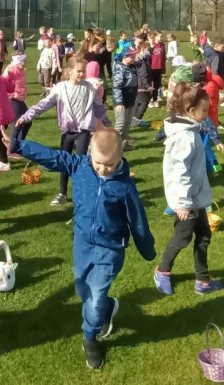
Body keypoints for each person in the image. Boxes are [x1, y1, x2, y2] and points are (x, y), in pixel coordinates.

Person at [13, 129, 155, 370]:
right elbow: (53, 157)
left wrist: (147, 249)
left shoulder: (125, 186)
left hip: (110, 249)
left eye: (110, 164)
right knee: (82, 289)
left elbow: (137, 220)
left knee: (95, 294)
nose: (102, 169)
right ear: (89, 152)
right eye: (98, 163)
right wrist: (19, 145)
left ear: (121, 157)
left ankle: (89, 338)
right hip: (83, 243)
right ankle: (108, 308)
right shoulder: (79, 166)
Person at [155, 82, 224, 296]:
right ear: (191, 111)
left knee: (204, 237)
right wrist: (182, 203)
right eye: (204, 110)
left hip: (196, 198)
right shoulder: (184, 137)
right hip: (187, 201)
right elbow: (179, 173)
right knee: (182, 238)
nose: (207, 113)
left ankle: (203, 280)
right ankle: (162, 271)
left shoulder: (191, 130)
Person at [16, 58, 112, 206]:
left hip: (83, 131)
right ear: (69, 71)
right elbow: (44, 104)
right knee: (64, 161)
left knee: (80, 163)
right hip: (67, 131)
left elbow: (98, 107)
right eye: (79, 71)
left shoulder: (89, 88)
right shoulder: (60, 89)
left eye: (83, 71)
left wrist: (107, 122)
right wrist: (26, 116)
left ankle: (81, 193)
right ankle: (62, 193)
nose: (82, 74)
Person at [5, 53, 31, 156]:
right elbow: (4, 81)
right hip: (13, 98)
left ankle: (17, 147)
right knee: (18, 123)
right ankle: (12, 150)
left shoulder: (21, 70)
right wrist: (11, 94)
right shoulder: (11, 70)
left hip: (19, 98)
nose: (25, 63)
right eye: (24, 61)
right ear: (19, 62)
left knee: (27, 122)